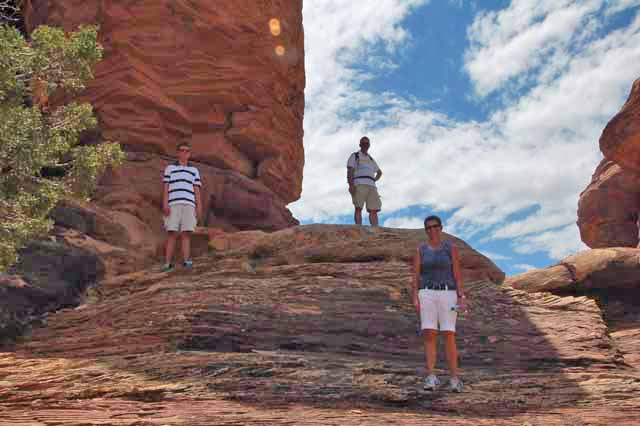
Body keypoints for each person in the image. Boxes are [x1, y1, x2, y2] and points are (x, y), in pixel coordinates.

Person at [412, 215, 467, 392]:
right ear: (426, 230)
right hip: (427, 293)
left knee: (449, 333)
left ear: (441, 228)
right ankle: (431, 376)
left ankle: (454, 378)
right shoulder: (421, 249)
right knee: (429, 333)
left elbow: (457, 274)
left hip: (448, 294)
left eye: (435, 226)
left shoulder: (450, 248)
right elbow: (416, 275)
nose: (432, 230)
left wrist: (461, 297)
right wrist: (415, 295)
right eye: (428, 227)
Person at [162, 142, 202, 272]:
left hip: (189, 204)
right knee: (171, 232)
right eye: (182, 150)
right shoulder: (170, 168)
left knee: (186, 233)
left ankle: (186, 261)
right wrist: (165, 203)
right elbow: (166, 188)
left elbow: (196, 190)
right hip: (173, 203)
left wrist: (199, 206)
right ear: (178, 152)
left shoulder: (194, 170)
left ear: (189, 154)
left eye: (187, 151)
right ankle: (167, 263)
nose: (184, 153)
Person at [346, 136, 383, 226]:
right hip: (359, 183)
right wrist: (351, 185)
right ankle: (359, 228)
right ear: (360, 145)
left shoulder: (371, 159)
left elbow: (379, 172)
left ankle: (375, 229)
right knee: (358, 207)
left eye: (367, 143)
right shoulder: (355, 155)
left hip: (371, 185)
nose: (365, 145)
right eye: (363, 143)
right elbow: (350, 170)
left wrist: (373, 180)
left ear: (369, 145)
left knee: (374, 209)